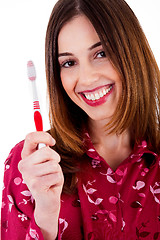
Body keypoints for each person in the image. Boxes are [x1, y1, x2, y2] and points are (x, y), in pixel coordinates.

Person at [1, 0, 160, 239]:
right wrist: (45, 216)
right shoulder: (30, 166)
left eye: (101, 53)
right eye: (69, 62)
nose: (86, 79)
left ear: (132, 51)